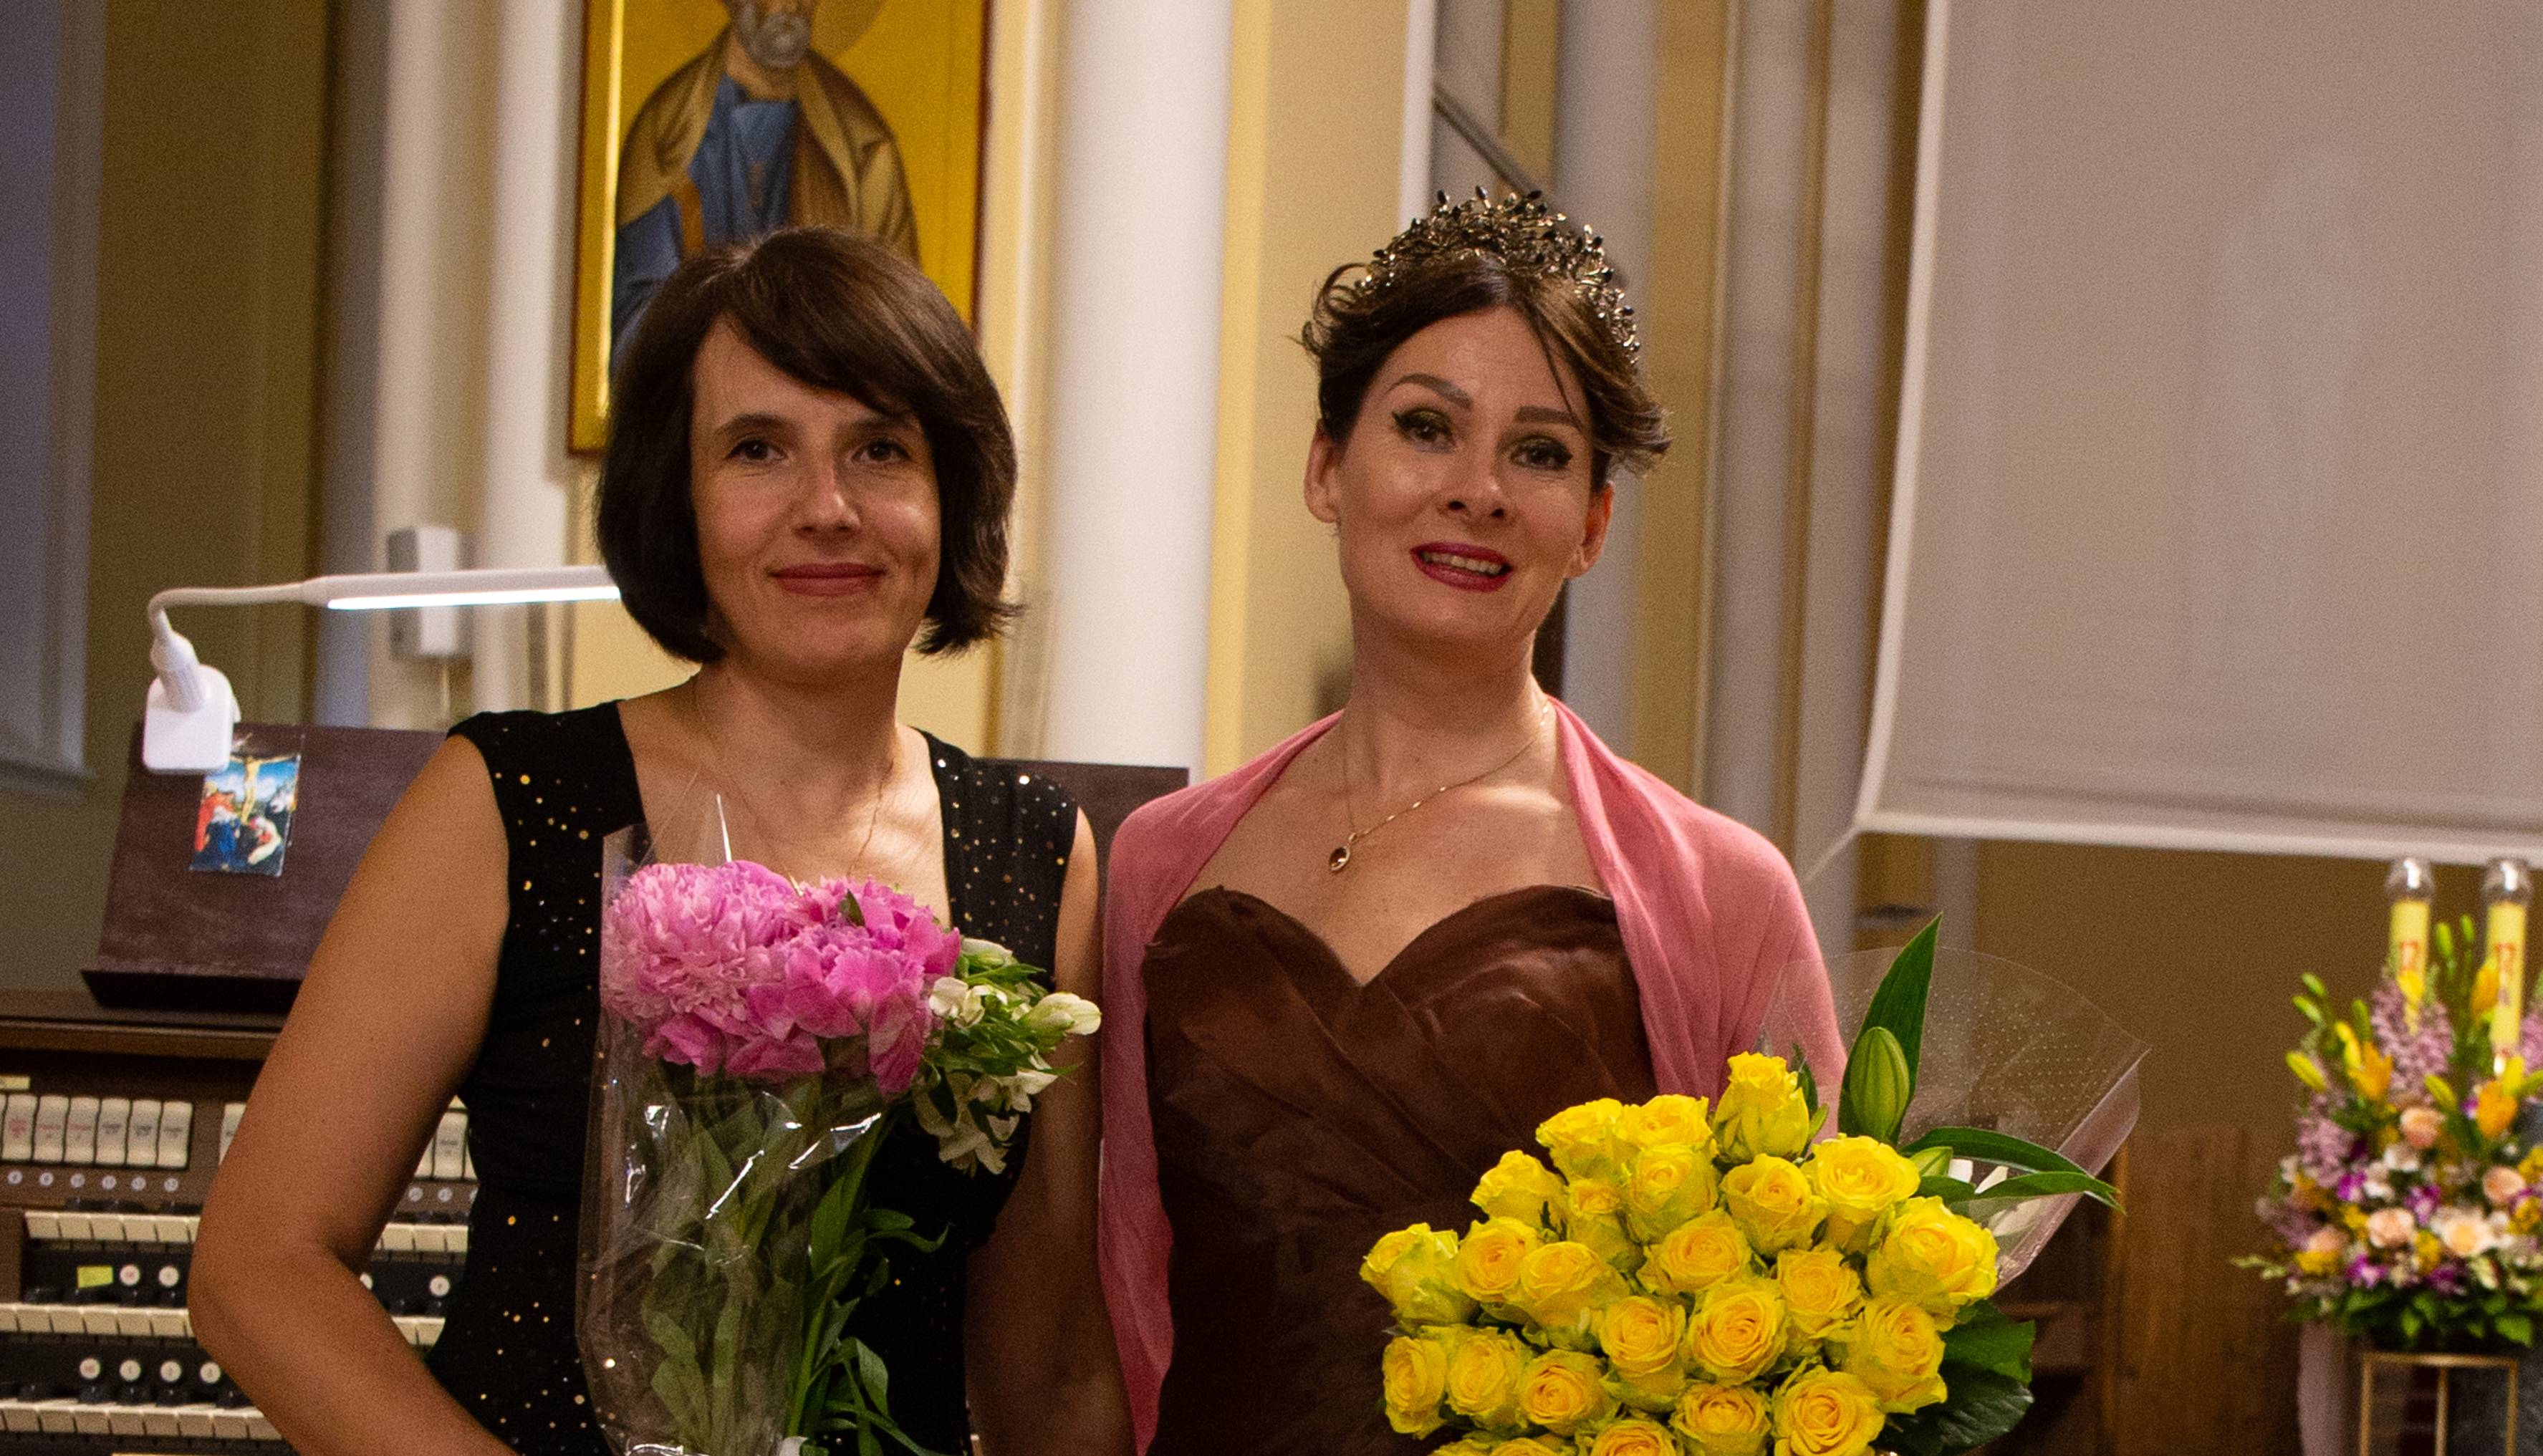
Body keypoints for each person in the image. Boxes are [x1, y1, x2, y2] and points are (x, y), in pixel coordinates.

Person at [192, 228, 1130, 1456]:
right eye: (757, 450)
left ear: (949, 496)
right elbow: (259, 1268)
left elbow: (1048, 1363)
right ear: (675, 500)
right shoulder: (510, 800)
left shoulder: (1034, 853)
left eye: (880, 450)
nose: (828, 508)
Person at [1094, 193, 1847, 1452]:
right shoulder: (1157, 859)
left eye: (1539, 453)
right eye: (1426, 427)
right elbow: (1112, 1279)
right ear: (1327, 467)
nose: (1478, 490)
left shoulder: (1720, 889)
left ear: (1593, 524)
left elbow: (1810, 1325)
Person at [612, 0, 918, 352]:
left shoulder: (862, 146)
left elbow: (898, 333)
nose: (791, 4)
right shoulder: (668, 135)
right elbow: (636, 325)